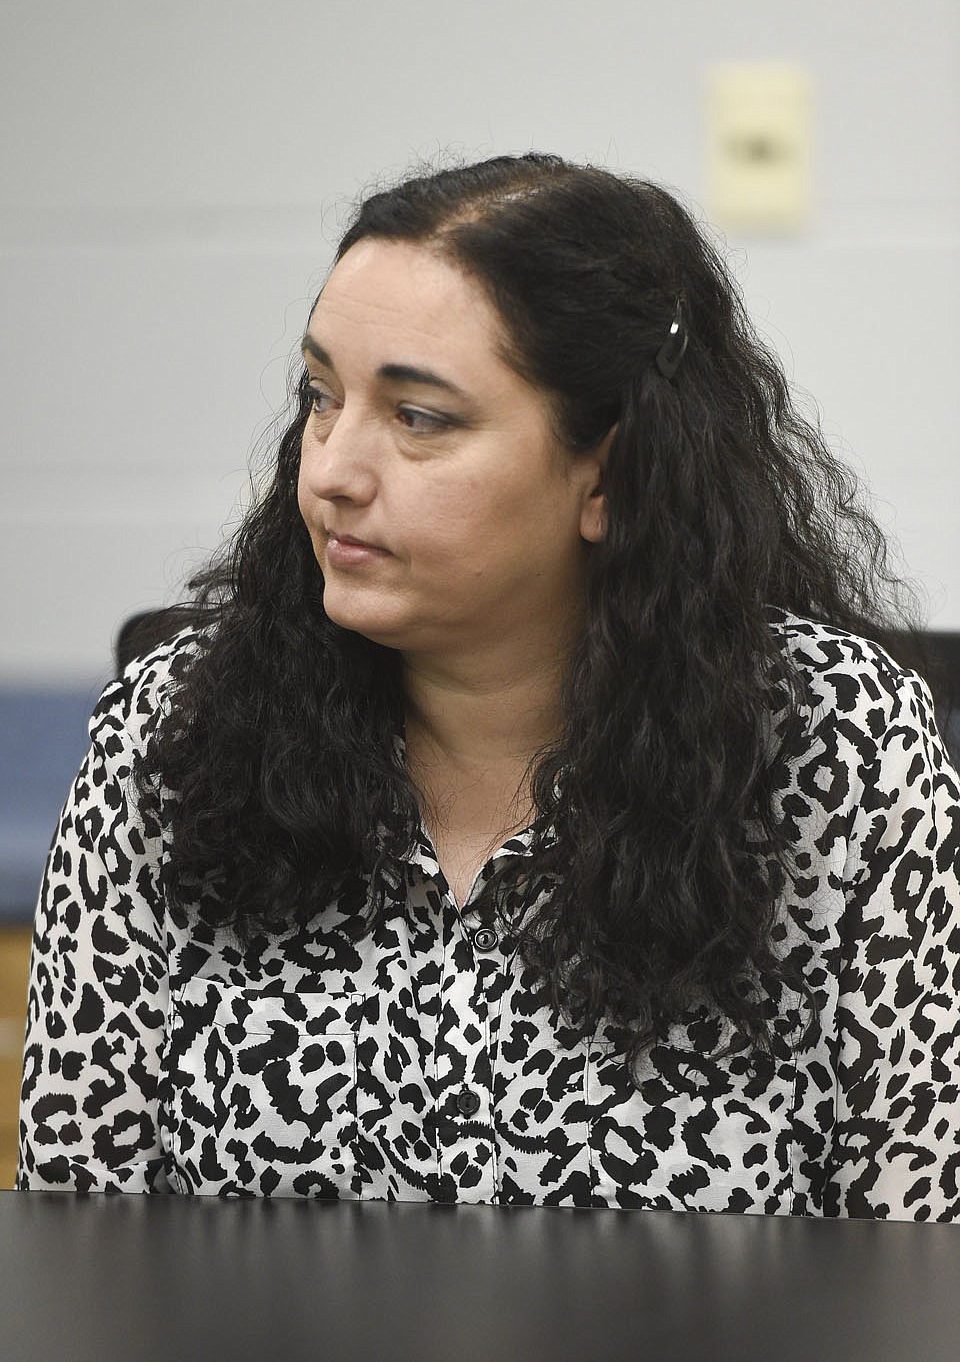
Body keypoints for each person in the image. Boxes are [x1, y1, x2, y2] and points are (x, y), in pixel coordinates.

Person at [17, 153, 960, 1218]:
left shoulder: (834, 748)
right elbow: (76, 1229)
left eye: (420, 418)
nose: (330, 470)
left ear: (607, 473)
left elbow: (917, 1247)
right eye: (321, 397)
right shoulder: (168, 733)